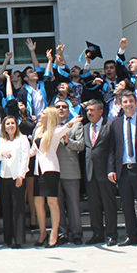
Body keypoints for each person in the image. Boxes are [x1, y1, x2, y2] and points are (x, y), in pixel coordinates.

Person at [108, 91, 137, 249]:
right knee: (127, 206)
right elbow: (112, 150)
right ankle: (131, 236)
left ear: (136, 103)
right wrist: (111, 170)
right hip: (123, 171)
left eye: (131, 101)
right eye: (125, 102)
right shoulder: (115, 123)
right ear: (121, 105)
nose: (128, 104)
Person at [68, 99, 117, 245]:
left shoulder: (109, 126)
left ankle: (111, 234)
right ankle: (97, 233)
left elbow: (113, 150)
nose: (89, 113)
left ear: (101, 111)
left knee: (108, 204)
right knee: (94, 205)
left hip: (105, 172)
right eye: (88, 111)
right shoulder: (85, 127)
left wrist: (111, 169)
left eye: (92, 110)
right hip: (89, 172)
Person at [30, 107, 79, 248]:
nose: (40, 115)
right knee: (38, 202)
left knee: (52, 202)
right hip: (38, 170)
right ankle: (42, 233)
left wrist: (71, 123)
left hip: (50, 169)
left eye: (43, 113)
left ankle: (54, 234)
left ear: (49, 116)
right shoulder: (39, 130)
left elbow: (66, 128)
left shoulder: (55, 131)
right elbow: (33, 151)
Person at [0, 115, 31, 248]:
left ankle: (18, 239)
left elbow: (25, 158)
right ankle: (8, 238)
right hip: (4, 176)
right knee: (7, 208)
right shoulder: (2, 140)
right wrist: (2, 154)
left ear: (16, 125)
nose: (10, 126)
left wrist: (21, 176)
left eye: (12, 123)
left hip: (17, 177)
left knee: (18, 208)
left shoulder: (22, 139)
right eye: (7, 124)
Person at [54, 100, 84, 244]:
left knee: (73, 204)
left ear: (68, 109)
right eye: (58, 107)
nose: (61, 109)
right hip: (53, 170)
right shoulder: (49, 126)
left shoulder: (76, 125)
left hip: (71, 169)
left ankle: (76, 233)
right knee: (57, 205)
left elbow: (81, 145)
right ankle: (62, 233)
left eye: (64, 107)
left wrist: (67, 141)